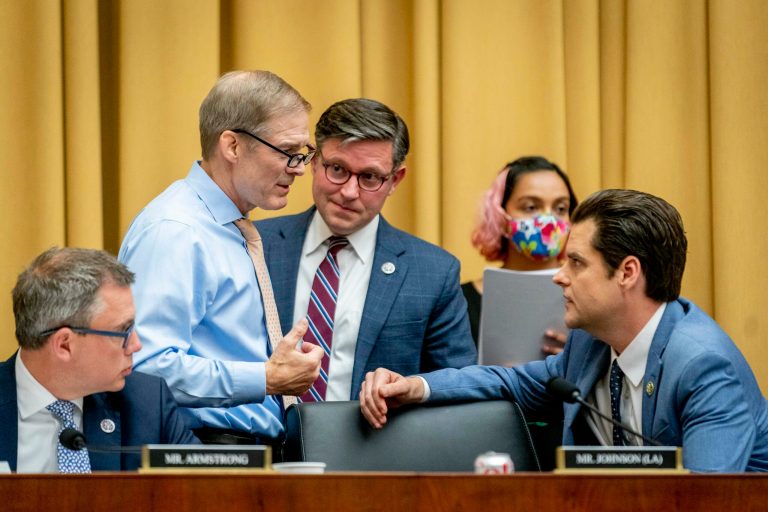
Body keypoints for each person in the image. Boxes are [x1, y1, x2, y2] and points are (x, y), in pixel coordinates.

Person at [360, 189, 768, 472]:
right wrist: (417, 386)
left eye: (576, 263)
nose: (559, 277)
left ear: (627, 272)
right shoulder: (590, 345)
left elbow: (706, 500)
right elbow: (509, 382)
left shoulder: (703, 366)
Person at [118, 71, 323, 447]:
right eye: (287, 152)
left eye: (303, 154)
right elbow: (145, 367)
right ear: (232, 146)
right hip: (202, 453)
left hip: (248, 451)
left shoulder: (230, 228)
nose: (297, 169)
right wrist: (266, 378)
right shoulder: (176, 230)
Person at [256, 98, 477, 401]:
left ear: (395, 179)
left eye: (369, 177)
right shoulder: (256, 246)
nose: (348, 192)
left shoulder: (434, 272)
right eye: (337, 169)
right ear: (315, 162)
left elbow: (458, 384)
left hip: (375, 443)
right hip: (267, 442)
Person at [0, 247, 198, 473]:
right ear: (65, 344)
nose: (136, 345)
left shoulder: (148, 404)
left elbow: (209, 493)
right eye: (123, 331)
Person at [463, 157, 578, 348]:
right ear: (500, 216)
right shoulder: (461, 302)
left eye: (560, 208)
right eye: (531, 207)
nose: (548, 219)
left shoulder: (591, 295)